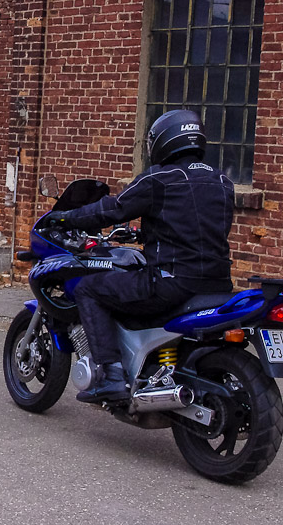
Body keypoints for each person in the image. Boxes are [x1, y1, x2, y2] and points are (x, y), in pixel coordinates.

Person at [45, 109, 234, 402]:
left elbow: (112, 209)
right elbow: (196, 229)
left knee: (89, 289)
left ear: (164, 141)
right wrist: (147, 235)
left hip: (172, 283)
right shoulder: (222, 182)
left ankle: (112, 376)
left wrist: (65, 218)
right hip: (218, 285)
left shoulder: (160, 178)